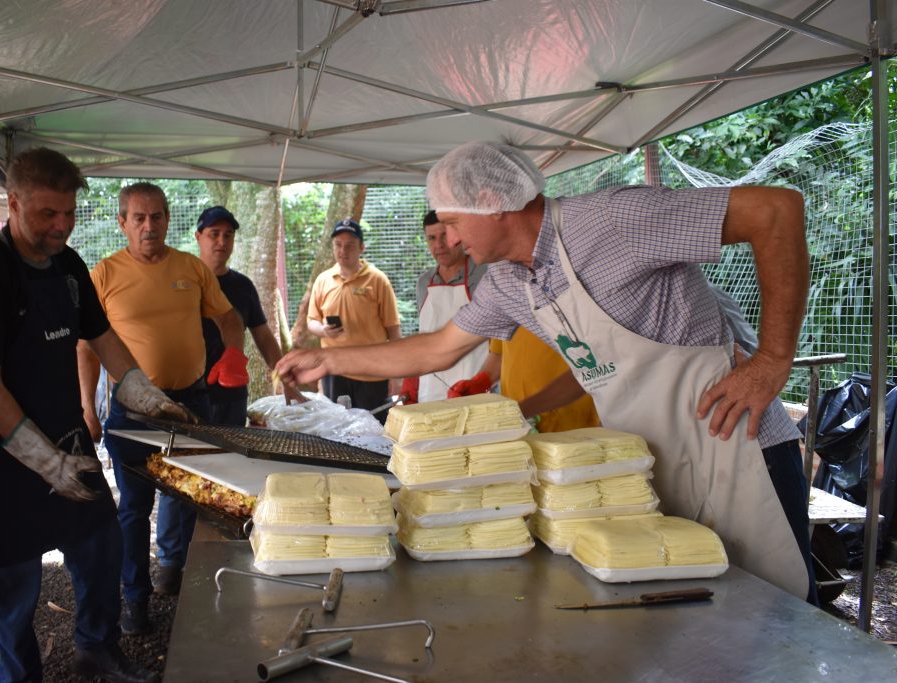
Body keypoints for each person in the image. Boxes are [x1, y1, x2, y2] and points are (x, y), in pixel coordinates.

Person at [278, 141, 816, 603]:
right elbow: (439, 348)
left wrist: (771, 361)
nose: (449, 235)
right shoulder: (512, 282)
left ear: (491, 204)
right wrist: (328, 359)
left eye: (453, 220)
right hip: (652, 463)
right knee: (705, 614)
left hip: (738, 445)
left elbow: (776, 212)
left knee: (777, 610)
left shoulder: (610, 221)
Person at [0, 148, 185, 683]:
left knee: (102, 547)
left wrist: (145, 393)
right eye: (47, 214)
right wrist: (44, 463)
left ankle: (97, 647)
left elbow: (101, 336)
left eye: (69, 213)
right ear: (13, 202)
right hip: (0, 458)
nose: (61, 227)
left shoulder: (69, 265)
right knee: (14, 586)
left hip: (67, 437)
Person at [78, 183, 247, 632]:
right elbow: (87, 347)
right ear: (122, 223)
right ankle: (135, 600)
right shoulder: (104, 274)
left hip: (190, 402)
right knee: (133, 509)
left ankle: (181, 579)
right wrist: (86, 407)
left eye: (156, 216)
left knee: (190, 498)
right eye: (138, 218)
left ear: (168, 219)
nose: (148, 225)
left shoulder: (191, 268)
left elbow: (230, 319)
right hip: (131, 412)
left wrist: (233, 354)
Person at [194, 206, 303, 425]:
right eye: (214, 234)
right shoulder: (185, 282)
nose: (222, 241)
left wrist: (287, 383)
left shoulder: (242, 286)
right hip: (191, 394)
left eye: (228, 235)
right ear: (199, 237)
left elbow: (263, 336)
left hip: (231, 394)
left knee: (230, 458)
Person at [307, 218, 401, 420]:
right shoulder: (323, 280)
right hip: (334, 370)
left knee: (374, 430)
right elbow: (311, 321)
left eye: (350, 245)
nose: (343, 250)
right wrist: (323, 330)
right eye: (338, 245)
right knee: (336, 431)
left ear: (361, 248)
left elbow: (393, 330)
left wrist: (396, 373)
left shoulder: (377, 280)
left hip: (372, 371)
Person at [400, 210, 488, 404]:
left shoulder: (485, 273)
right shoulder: (424, 282)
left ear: (457, 235)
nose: (438, 245)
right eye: (431, 238)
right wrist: (411, 379)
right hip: (431, 386)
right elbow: (424, 335)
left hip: (474, 383)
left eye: (444, 236)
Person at [453, 327, 600, 433]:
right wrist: (483, 380)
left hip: (572, 423)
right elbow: (499, 353)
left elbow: (594, 365)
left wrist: (522, 410)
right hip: (517, 423)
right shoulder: (508, 294)